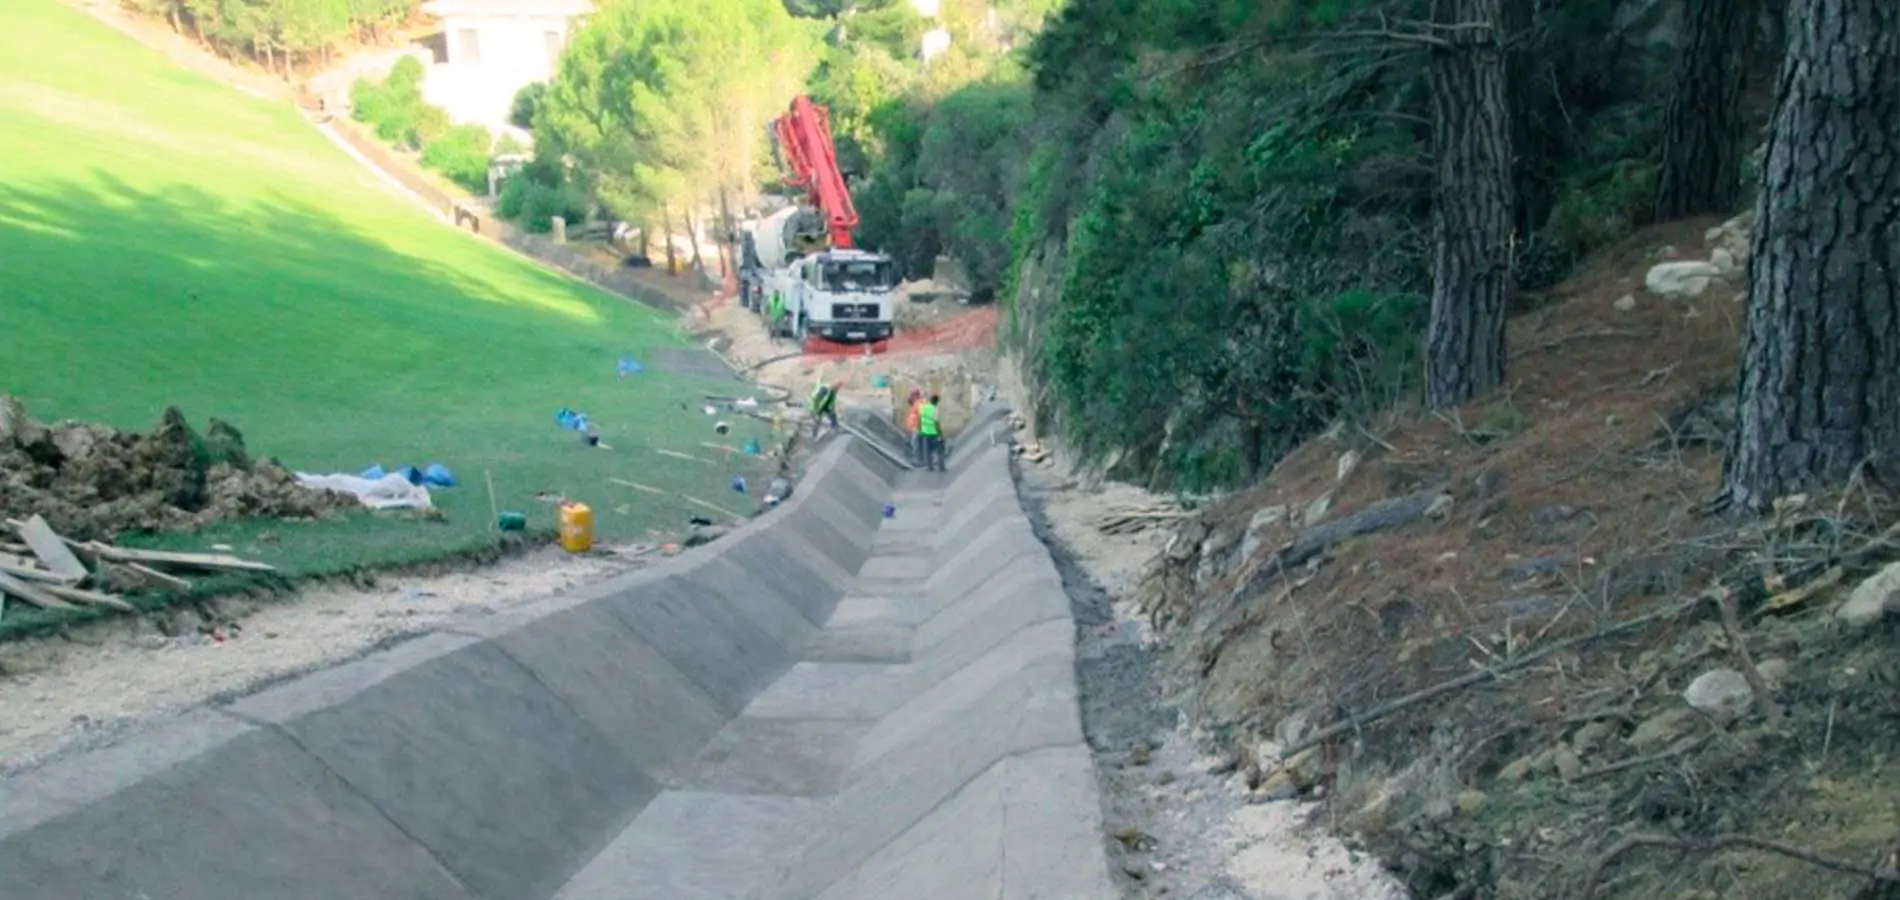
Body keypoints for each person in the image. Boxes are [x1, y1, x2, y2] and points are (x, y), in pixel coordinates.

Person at [918, 393, 944, 471]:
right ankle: (941, 467)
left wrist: (920, 430)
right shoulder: (935, 410)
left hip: (925, 432)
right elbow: (936, 423)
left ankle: (930, 467)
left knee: (928, 451)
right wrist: (940, 434)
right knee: (940, 450)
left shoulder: (924, 408)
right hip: (934, 433)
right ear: (936, 402)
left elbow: (920, 419)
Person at [904, 388, 925, 465]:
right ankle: (920, 459)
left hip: (919, 427)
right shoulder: (916, 403)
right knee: (917, 444)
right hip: (916, 427)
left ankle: (919, 460)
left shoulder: (919, 404)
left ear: (916, 395)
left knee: (916, 443)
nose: (910, 396)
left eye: (912, 395)